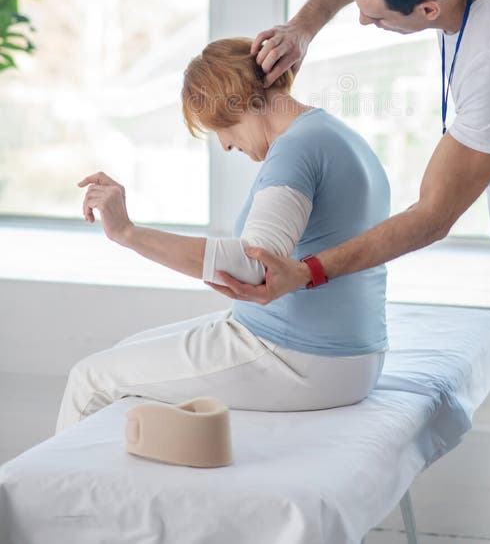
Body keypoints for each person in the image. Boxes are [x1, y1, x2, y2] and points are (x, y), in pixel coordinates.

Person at [208, 0, 490, 544]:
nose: (364, 24)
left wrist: (307, 272)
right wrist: (303, 28)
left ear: (427, 6)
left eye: (378, 18)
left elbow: (432, 216)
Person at [56, 37, 389, 432]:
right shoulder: (336, 134)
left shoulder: (297, 149)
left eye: (220, 127)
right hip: (345, 354)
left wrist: (127, 232)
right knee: (124, 354)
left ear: (240, 99)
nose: (226, 144)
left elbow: (254, 266)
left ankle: (52, 495)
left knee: (90, 380)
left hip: (299, 358)